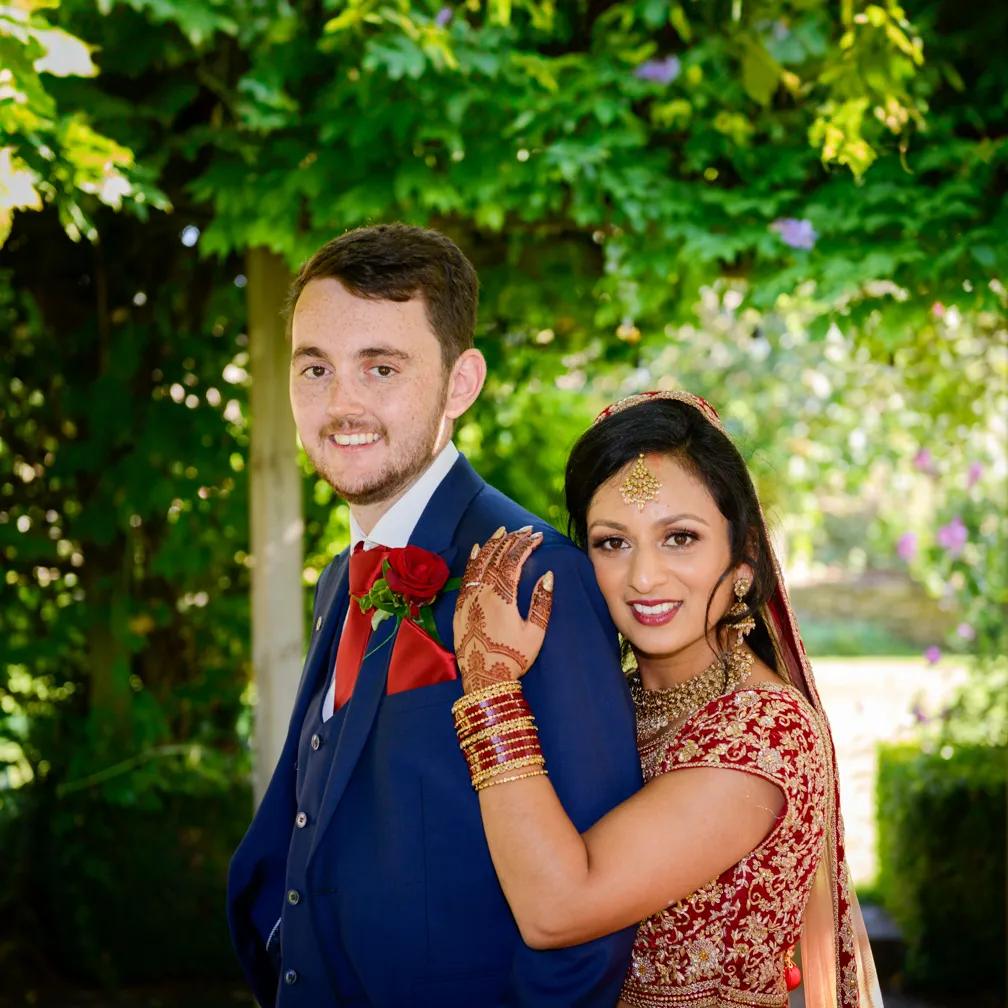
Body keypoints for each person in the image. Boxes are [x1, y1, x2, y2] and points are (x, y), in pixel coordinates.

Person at [226, 223, 643, 1007]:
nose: (340, 402)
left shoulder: (536, 575)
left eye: (380, 367)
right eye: (315, 367)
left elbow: (589, 921)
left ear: (460, 382)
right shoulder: (336, 583)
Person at [451, 391, 883, 1008]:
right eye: (612, 543)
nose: (644, 576)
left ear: (744, 560)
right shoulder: (612, 701)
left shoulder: (766, 730)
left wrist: (490, 688)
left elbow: (557, 909)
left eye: (679, 538)